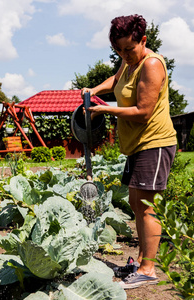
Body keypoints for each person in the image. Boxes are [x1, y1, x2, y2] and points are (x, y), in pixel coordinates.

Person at [81, 14, 177, 289]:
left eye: (128, 49)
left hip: (154, 142)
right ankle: (140, 261)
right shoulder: (128, 62)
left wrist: (105, 109)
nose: (124, 55)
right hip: (137, 145)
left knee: (147, 208)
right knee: (136, 204)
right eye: (118, 50)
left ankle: (148, 270)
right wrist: (95, 88)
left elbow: (144, 112)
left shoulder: (151, 65)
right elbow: (116, 79)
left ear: (143, 40)